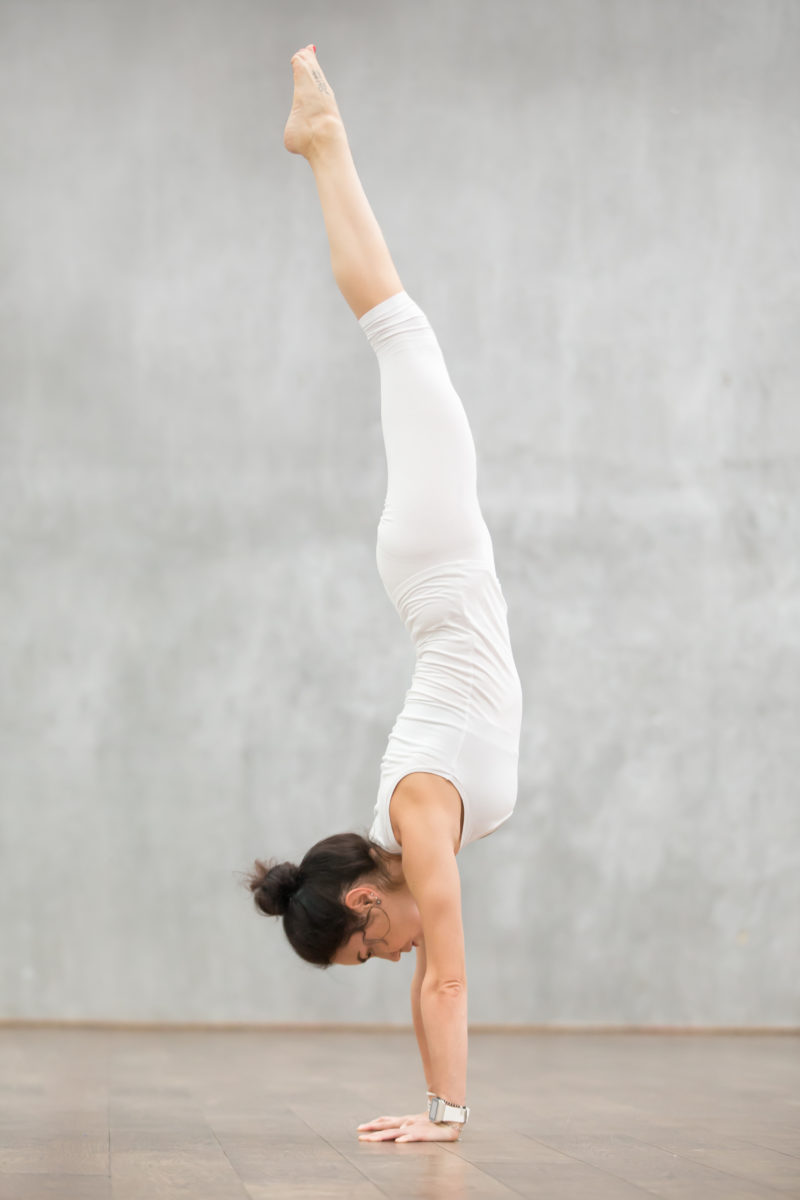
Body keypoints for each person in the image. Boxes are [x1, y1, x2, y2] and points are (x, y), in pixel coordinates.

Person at [246, 44, 523, 1144]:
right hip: (432, 562)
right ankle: (322, 145)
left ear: (364, 902)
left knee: (400, 333)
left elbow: (443, 981)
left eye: (370, 946)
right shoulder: (415, 843)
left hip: (435, 555)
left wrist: (446, 1119)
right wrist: (435, 1110)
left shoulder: (414, 816)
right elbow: (435, 976)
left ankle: (322, 142)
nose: (391, 956)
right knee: (402, 340)